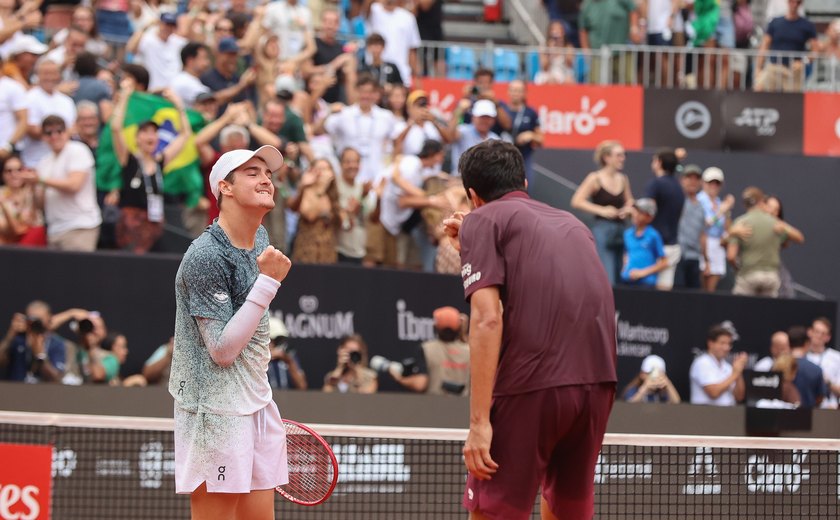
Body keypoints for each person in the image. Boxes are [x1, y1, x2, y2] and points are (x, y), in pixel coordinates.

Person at [443, 140, 616, 520]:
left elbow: (489, 319)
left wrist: (479, 424)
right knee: (568, 510)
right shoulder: (574, 224)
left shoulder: (482, 220)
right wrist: (470, 250)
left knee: (493, 512)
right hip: (596, 387)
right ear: (523, 179)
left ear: (472, 195)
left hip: (531, 386)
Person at [168, 144, 291, 517]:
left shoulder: (261, 241)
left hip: (255, 401)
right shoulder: (205, 256)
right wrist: (268, 283)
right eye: (252, 173)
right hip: (215, 409)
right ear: (225, 186)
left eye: (267, 173)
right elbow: (221, 351)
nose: (266, 179)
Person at [108, 80, 192, 253]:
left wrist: (178, 105)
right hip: (130, 225)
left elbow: (185, 134)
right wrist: (124, 97)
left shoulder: (160, 160)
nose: (150, 136)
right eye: (145, 132)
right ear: (137, 138)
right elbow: (116, 128)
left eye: (154, 132)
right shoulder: (128, 159)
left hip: (154, 225)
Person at [25, 115, 101, 251]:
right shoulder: (44, 162)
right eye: (49, 133)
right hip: (55, 229)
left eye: (59, 131)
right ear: (43, 137)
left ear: (67, 132)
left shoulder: (78, 150)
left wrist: (40, 180)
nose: (54, 136)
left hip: (80, 226)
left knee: (79, 272)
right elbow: (41, 205)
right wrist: (32, 186)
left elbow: (74, 185)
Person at [571, 140, 634, 286]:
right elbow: (577, 201)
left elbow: (629, 201)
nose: (622, 158)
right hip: (603, 230)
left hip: (621, 230)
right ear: (606, 157)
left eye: (623, 155)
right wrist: (603, 210)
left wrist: (627, 210)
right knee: (607, 276)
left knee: (620, 276)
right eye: (618, 155)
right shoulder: (595, 178)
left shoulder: (623, 179)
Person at [381, 305, 470, 395]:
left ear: (436, 325)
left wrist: (399, 378)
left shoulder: (427, 348)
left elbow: (420, 384)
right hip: (464, 406)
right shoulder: (469, 350)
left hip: (434, 405)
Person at [727, 186, 791, 298]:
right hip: (770, 277)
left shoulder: (740, 223)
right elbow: (793, 239)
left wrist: (738, 269)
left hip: (748, 275)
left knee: (739, 311)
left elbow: (731, 256)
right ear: (761, 202)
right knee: (767, 313)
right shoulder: (775, 223)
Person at [645, 148, 685, 290]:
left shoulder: (656, 184)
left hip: (655, 246)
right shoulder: (679, 187)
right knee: (663, 293)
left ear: (659, 162)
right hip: (672, 246)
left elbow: (648, 211)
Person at [0, 301, 68, 382]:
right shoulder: (18, 340)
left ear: (49, 318)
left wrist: (40, 355)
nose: (36, 323)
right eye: (32, 319)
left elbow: (55, 378)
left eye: (39, 320)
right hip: (15, 389)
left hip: (43, 391)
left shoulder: (56, 343)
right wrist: (10, 335)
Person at [689, 324, 747, 406]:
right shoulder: (702, 363)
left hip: (729, 414)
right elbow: (713, 393)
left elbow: (739, 397)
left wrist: (739, 371)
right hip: (705, 414)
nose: (726, 348)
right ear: (710, 343)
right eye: (722, 343)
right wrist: (735, 374)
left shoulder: (727, 367)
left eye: (729, 344)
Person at [696, 166, 733, 292]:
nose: (713, 186)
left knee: (711, 290)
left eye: (717, 183)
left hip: (718, 246)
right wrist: (721, 211)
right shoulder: (699, 200)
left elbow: (727, 229)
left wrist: (727, 212)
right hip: (702, 244)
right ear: (703, 183)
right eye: (710, 182)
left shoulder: (719, 202)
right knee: (701, 286)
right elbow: (703, 224)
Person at [620, 198, 667, 287]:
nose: (636, 215)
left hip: (646, 284)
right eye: (635, 211)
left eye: (640, 212)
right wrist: (625, 269)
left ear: (649, 217)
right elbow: (626, 253)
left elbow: (664, 262)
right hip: (628, 281)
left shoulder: (653, 235)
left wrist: (642, 273)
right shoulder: (627, 234)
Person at [805, 317, 840, 409]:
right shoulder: (800, 356)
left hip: (828, 408)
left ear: (828, 337)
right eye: (816, 331)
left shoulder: (837, 358)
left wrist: (827, 382)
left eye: (823, 333)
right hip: (804, 406)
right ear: (809, 332)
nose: (819, 336)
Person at [267, 317, 307, 390]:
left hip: (287, 399)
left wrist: (289, 361)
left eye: (279, 340)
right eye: (272, 340)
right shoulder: (255, 357)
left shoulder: (289, 356)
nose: (274, 344)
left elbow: (302, 386)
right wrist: (265, 358)